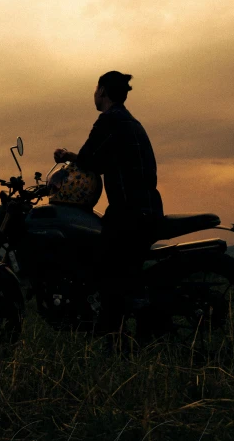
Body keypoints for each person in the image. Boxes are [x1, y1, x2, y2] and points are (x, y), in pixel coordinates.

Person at [53, 71, 164, 353]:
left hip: (128, 212)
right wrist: (72, 157)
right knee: (115, 268)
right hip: (147, 207)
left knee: (100, 270)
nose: (94, 93)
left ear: (102, 91)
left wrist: (67, 159)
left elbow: (89, 159)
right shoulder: (130, 122)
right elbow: (100, 162)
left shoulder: (109, 121)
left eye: (96, 88)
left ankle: (114, 342)